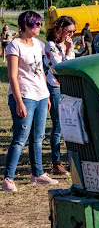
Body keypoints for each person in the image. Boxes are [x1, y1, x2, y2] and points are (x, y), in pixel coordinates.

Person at [3, 11, 58, 192]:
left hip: (41, 95)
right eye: (36, 24)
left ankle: (38, 174)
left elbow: (41, 70)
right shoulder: (14, 45)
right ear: (26, 25)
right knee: (20, 138)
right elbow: (12, 76)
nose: (39, 27)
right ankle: (8, 179)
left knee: (38, 137)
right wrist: (19, 102)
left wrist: (47, 95)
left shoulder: (39, 45)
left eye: (40, 24)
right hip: (25, 96)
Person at [43, 16, 76, 176]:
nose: (71, 34)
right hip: (56, 87)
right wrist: (69, 51)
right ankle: (56, 162)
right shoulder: (51, 46)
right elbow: (61, 67)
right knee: (58, 126)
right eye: (69, 30)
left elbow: (74, 65)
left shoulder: (67, 45)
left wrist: (70, 50)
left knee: (71, 125)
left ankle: (72, 160)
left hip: (69, 87)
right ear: (60, 29)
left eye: (73, 31)